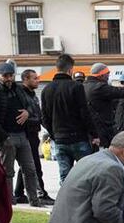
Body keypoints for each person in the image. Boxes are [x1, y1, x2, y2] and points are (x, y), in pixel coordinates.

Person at [0, 61, 41, 205]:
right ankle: (8, 201)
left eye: (11, 75)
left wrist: (28, 112)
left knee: (30, 169)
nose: (9, 78)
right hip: (6, 137)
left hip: (22, 135)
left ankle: (34, 200)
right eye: (5, 76)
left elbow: (32, 105)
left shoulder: (19, 89)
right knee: (8, 172)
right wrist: (5, 137)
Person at [42, 54, 98, 184]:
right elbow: (85, 113)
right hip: (79, 138)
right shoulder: (76, 87)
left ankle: (66, 197)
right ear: (70, 69)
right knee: (86, 174)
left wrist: (54, 134)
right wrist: (94, 134)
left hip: (60, 140)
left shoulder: (46, 90)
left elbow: (44, 117)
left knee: (65, 177)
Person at [14, 69, 52, 206]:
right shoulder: (21, 94)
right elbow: (23, 115)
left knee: (26, 165)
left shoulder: (32, 95)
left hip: (33, 133)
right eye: (34, 78)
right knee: (34, 165)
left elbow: (38, 114)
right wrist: (32, 118)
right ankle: (41, 194)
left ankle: (19, 193)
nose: (38, 81)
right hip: (27, 133)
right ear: (25, 79)